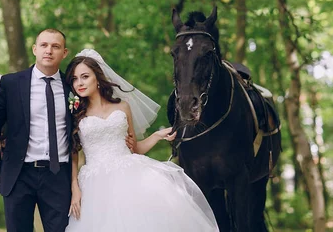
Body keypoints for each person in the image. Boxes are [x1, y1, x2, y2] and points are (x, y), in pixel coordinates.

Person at [0, 30, 134, 232]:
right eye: (44, 45)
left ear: (64, 53)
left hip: (58, 177)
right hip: (18, 175)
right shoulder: (12, 83)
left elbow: (89, 120)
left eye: (55, 46)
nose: (49, 50)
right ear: (35, 49)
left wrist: (117, 137)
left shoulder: (73, 88)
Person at [64, 49, 219, 232]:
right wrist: (75, 187)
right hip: (95, 184)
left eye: (84, 76)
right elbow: (73, 153)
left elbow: (135, 148)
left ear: (97, 78)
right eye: (74, 79)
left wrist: (157, 136)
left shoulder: (122, 106)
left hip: (131, 175)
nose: (79, 83)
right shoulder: (75, 114)